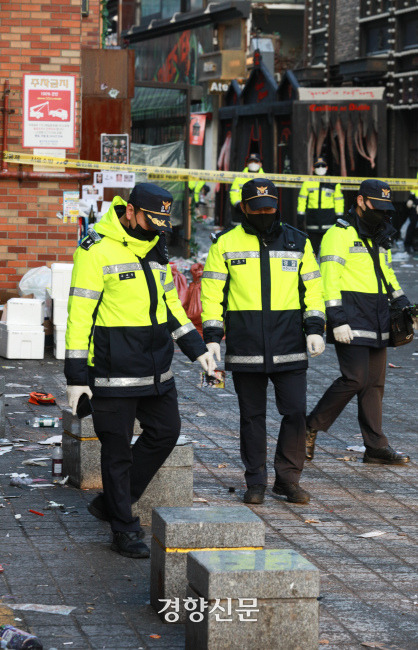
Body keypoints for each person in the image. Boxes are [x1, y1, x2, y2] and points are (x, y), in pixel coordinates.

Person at [65, 183, 214, 558]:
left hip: (157, 367)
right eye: (151, 220)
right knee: (117, 452)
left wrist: (197, 351)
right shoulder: (96, 249)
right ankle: (123, 527)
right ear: (130, 211)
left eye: (163, 222)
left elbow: (170, 305)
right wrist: (76, 377)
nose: (157, 228)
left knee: (166, 431)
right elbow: (79, 314)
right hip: (113, 369)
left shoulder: (156, 247)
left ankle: (114, 501)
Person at [202, 178, 325, 505]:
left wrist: (315, 327)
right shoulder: (224, 244)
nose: (265, 214)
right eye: (258, 209)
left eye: (270, 208)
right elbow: (212, 292)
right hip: (246, 347)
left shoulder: (298, 242)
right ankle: (255, 481)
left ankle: (287, 479)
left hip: (290, 343)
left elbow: (313, 288)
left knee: (296, 411)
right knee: (251, 417)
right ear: (244, 208)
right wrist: (212, 337)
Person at [306, 179, 418, 465]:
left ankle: (376, 447)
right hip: (351, 317)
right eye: (376, 206)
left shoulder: (380, 234)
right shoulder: (338, 234)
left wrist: (404, 302)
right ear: (360, 201)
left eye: (385, 208)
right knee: (355, 379)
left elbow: (387, 273)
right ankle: (309, 427)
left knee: (374, 384)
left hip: (378, 314)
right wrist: (337, 320)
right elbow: (327, 280)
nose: (382, 213)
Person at [297, 156, 344, 255]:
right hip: (312, 221)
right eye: (318, 166)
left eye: (323, 166)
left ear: (326, 168)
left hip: (329, 222)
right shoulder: (307, 182)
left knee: (329, 251)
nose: (320, 168)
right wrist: (300, 216)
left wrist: (339, 217)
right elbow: (302, 200)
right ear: (313, 168)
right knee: (312, 251)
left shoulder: (334, 183)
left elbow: (339, 201)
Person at [229, 153, 264, 224]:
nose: (253, 163)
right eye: (251, 161)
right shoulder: (239, 177)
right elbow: (233, 192)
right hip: (241, 211)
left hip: (258, 212)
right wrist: (238, 204)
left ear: (260, 164)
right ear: (247, 164)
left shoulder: (265, 178)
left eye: (255, 161)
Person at [404, 175, 418, 255]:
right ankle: (407, 245)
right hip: (415, 203)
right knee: (412, 224)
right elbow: (414, 189)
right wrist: (410, 199)